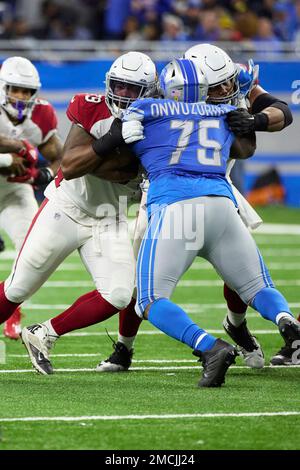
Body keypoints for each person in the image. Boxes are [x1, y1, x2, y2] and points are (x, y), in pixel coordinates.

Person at [103, 57, 299, 387]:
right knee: (258, 288)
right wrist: (252, 116)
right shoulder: (224, 112)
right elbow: (276, 116)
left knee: (150, 299)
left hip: (175, 207)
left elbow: (124, 138)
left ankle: (209, 348)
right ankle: (285, 319)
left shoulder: (146, 109)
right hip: (223, 205)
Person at [9, 51, 157, 375]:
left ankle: (43, 333)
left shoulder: (158, 120)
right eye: (119, 86)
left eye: (133, 89)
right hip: (66, 207)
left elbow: (125, 171)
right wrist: (113, 140)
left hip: (110, 216)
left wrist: (109, 163)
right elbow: (71, 165)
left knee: (119, 294)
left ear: (149, 91)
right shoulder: (92, 105)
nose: (123, 95)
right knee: (17, 289)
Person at [184, 43, 295, 366]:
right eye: (215, 86)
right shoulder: (178, 88)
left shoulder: (238, 80)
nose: (225, 89)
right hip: (168, 187)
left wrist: (255, 121)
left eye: (227, 82)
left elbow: (282, 111)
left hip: (219, 183)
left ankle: (236, 325)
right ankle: (124, 347)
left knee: (240, 269)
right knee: (142, 281)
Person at [0, 56, 62, 339]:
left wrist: (44, 175)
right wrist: (8, 156)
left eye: (26, 91)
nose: (21, 96)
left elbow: (58, 157)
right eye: (15, 89)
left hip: (15, 190)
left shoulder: (43, 114)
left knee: (29, 250)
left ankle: (12, 311)